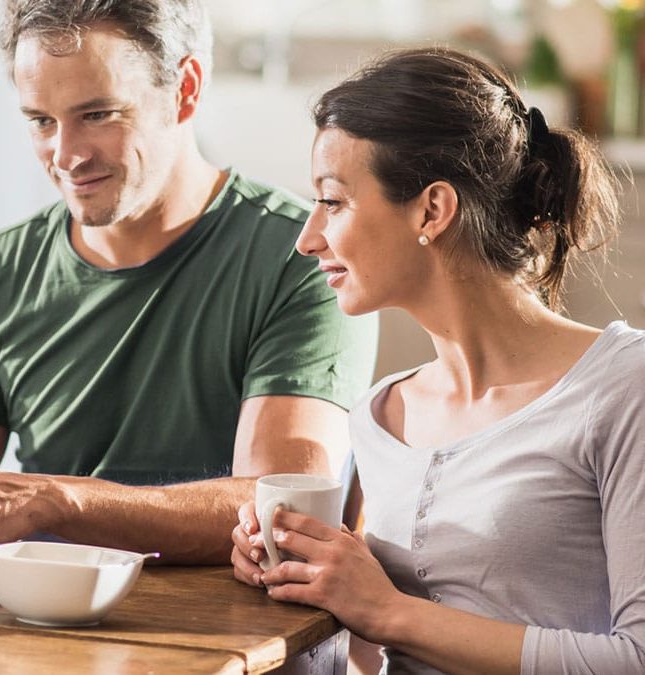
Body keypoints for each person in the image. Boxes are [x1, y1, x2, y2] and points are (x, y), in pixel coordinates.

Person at [0, 0, 377, 564]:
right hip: (35, 628)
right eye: (41, 121)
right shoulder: (0, 270)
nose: (67, 155)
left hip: (220, 640)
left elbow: (284, 511)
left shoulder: (302, 256)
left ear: (186, 89)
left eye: (97, 114)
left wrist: (52, 502)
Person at [230, 46, 645, 673]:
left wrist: (385, 610)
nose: (307, 237)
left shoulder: (624, 387)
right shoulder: (382, 414)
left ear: (432, 209)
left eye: (334, 201)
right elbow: (368, 656)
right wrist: (302, 577)